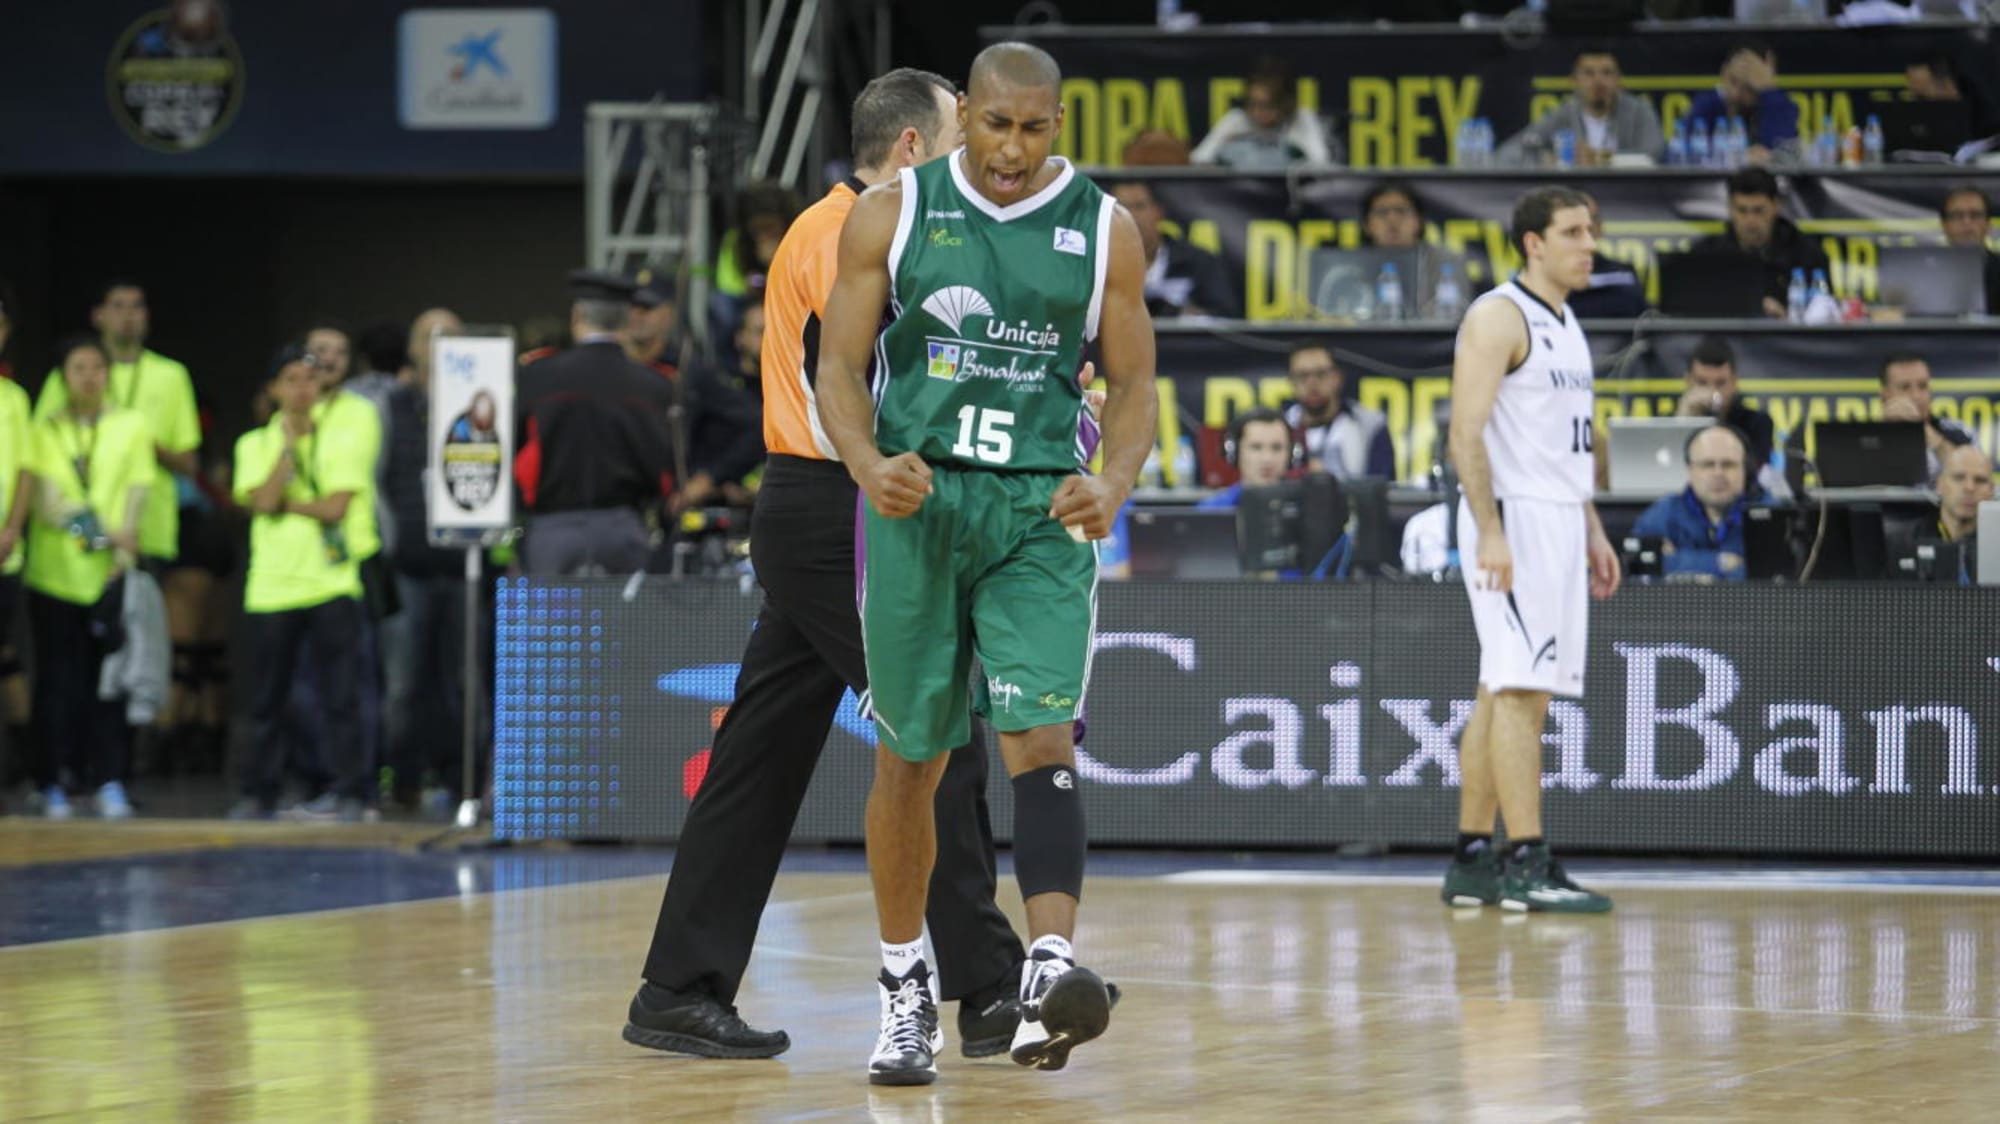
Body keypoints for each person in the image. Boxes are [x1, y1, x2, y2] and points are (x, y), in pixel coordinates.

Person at [623, 66, 1046, 1066]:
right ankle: (986, 986)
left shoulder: (851, 227)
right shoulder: (845, 234)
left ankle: (677, 986)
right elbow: (870, 392)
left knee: (759, 757)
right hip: (842, 508)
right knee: (933, 731)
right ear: (909, 148)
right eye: (957, 140)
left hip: (823, 508)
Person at [816, 41, 1155, 1083]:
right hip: (920, 502)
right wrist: (868, 463)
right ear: (964, 113)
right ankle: (902, 984)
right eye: (997, 124)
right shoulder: (894, 211)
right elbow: (834, 364)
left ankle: (1046, 968)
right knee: (910, 757)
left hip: (1038, 507)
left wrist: (1118, 479)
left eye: (1035, 127)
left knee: (1038, 735)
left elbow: (1134, 383)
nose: (1012, 148)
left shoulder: (1104, 228)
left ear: (1060, 123)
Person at [1441, 185, 1620, 915]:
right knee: (1522, 693)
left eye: (1592, 230)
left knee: (1499, 688)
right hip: (1510, 518)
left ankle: (1473, 856)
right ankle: (1528, 861)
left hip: (1555, 516)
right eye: (1574, 231)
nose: (1590, 243)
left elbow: (1562, 446)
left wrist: (1592, 526)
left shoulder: (1568, 321)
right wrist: (1489, 528)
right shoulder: (1497, 316)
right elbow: (1465, 432)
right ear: (1533, 243)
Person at [229, 346, 370, 821]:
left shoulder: (340, 437)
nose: (302, 388)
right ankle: (259, 790)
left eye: (309, 379)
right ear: (273, 389)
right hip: (271, 587)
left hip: (331, 582)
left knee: (341, 695)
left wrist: (286, 504)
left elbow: (336, 508)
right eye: (290, 380)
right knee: (266, 698)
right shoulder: (253, 444)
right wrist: (287, 452)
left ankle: (351, 788)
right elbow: (261, 500)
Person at [24, 336, 155, 819]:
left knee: (112, 683)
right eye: (78, 367)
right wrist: (90, 527)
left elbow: (140, 484)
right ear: (62, 376)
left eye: (97, 367)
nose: (89, 376)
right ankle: (52, 778)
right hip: (55, 574)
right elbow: (44, 495)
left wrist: (124, 542)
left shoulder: (131, 425)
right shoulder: (43, 431)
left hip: (110, 574)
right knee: (58, 682)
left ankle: (111, 778)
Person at [513, 272, 676, 576]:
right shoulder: (654, 385)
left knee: (552, 622)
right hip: (625, 529)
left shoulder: (537, 377)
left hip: (552, 528)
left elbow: (514, 450)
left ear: (577, 315)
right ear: (628, 319)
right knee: (624, 623)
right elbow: (663, 464)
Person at [36, 282, 200, 573]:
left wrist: (136, 446)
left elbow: (189, 462)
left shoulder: (172, 375)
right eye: (118, 306)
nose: (128, 315)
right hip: (73, 533)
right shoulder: (67, 375)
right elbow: (41, 446)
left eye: (137, 306)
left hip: (148, 528)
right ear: (97, 316)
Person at [1691, 167, 1829, 317]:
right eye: (1742, 210)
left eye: (1758, 211)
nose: (1750, 221)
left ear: (1776, 206)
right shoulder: (1706, 255)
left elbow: (1824, 314)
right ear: (1730, 208)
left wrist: (1786, 318)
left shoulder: (1806, 254)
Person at [1497, 46, 1665, 168]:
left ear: (1619, 80)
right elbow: (1507, 153)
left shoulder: (1639, 111)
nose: (1598, 81)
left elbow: (1654, 155)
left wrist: (1600, 159)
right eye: (1589, 73)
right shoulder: (1562, 115)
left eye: (1607, 73)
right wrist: (1546, 159)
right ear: (1574, 81)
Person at [1630, 425, 1754, 582]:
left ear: (1745, 469)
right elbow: (1639, 569)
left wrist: (1680, 563)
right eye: (1707, 465)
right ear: (1689, 469)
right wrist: (1720, 562)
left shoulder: (1769, 515)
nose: (1718, 473)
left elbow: (1773, 576)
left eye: (1728, 464)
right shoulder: (1663, 514)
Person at [1108, 179, 1240, 319]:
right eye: (1120, 208)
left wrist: (1180, 314)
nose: (1130, 216)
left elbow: (1226, 322)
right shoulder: (1096, 263)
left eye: (1139, 206)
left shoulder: (1198, 262)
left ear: (1158, 212)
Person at [1191, 56, 1336, 169]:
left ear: (1286, 103)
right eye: (1251, 103)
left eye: (1265, 105)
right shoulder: (1236, 119)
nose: (1256, 112)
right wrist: (1225, 147)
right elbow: (1198, 160)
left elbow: (1320, 163)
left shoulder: (1301, 118)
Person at [1281, 344, 1393, 480]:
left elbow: (1381, 487)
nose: (1312, 383)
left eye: (1320, 374)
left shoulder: (1370, 426)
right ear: (1290, 381)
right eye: (1303, 376)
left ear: (1337, 377)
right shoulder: (1281, 427)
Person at [1673, 335, 1774, 472]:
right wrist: (1683, 422)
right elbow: (1666, 469)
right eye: (1702, 383)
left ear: (1734, 383)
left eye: (1720, 383)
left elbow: (1756, 474)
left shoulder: (1757, 423)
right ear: (1688, 382)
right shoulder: (1668, 421)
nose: (1712, 392)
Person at [1686, 43, 1799, 165]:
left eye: (1748, 87)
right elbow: (1680, 154)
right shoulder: (1707, 105)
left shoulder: (1777, 106)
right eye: (1733, 81)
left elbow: (1785, 158)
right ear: (1724, 72)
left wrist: (1769, 92)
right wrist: (1739, 157)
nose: (1736, 94)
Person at [1879, 354, 1974, 484]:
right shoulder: (1863, 439)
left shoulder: (1958, 432)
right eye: (1905, 387)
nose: (1916, 396)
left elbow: (1972, 479)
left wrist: (1925, 433)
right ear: (1885, 394)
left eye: (1923, 386)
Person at [1566, 192, 1649, 320]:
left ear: (1600, 227)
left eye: (1590, 222)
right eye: (1572, 227)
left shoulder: (1624, 278)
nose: (1583, 234)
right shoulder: (1539, 281)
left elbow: (1644, 325)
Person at [1198, 408, 1294, 509]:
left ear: (1291, 454)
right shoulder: (1211, 511)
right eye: (1256, 447)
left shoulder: (1305, 510)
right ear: (1235, 452)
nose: (1267, 459)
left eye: (1276, 448)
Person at [1923, 444, 1993, 582]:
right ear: (1939, 484)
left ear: (1991, 490)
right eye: (1959, 477)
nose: (1969, 487)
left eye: (1980, 480)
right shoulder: (1906, 540)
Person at [1937, 185, 2000, 317]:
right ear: (1944, 225)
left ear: (1988, 225)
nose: (1966, 222)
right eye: (1957, 215)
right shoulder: (1925, 273)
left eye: (1975, 215)